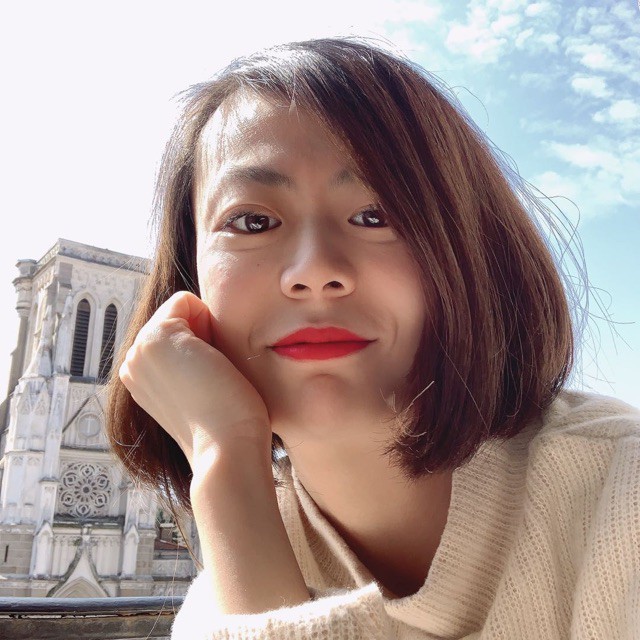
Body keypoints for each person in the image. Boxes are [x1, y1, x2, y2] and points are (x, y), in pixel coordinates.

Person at [107, 38, 640, 639]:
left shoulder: (624, 493)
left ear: (476, 250)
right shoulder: (234, 556)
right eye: (252, 222)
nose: (313, 271)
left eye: (376, 216)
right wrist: (223, 460)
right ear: (190, 283)